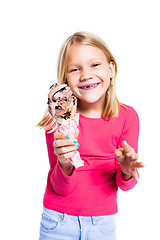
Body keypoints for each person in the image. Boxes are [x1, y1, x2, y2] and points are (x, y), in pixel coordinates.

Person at [37, 32, 144, 240]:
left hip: (103, 224)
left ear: (111, 69)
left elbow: (124, 185)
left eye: (95, 65)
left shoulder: (127, 117)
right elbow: (61, 187)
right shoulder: (57, 121)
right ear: (66, 79)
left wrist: (127, 170)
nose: (85, 75)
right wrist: (64, 162)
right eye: (75, 69)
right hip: (58, 221)